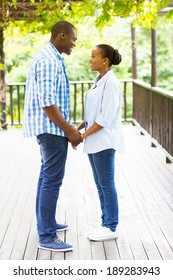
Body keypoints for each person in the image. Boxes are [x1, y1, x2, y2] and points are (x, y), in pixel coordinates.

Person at [23, 21, 82, 252]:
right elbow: (47, 103)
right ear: (62, 34)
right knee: (51, 180)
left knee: (46, 177)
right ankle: (47, 235)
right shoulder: (48, 60)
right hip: (52, 131)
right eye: (73, 39)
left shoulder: (51, 57)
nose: (74, 44)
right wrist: (69, 130)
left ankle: (46, 223)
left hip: (51, 130)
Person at [76, 44, 125, 241]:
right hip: (95, 142)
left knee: (106, 184)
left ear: (104, 61)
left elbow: (105, 119)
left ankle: (111, 227)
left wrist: (82, 136)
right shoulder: (100, 80)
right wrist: (78, 129)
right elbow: (92, 115)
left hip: (104, 143)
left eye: (93, 56)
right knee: (100, 184)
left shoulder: (111, 83)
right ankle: (106, 223)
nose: (90, 59)